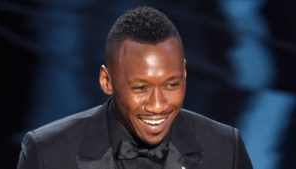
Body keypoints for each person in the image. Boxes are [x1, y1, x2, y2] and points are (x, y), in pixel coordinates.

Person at [17, 6, 253, 169]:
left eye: (171, 85)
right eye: (141, 88)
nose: (158, 105)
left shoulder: (225, 147)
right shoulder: (48, 152)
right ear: (106, 81)